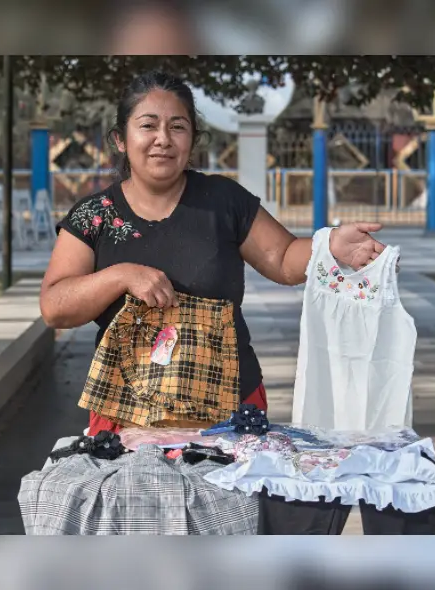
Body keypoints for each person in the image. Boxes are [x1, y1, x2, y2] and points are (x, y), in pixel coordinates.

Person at [40, 71, 388, 436]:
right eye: (148, 126)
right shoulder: (94, 216)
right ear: (120, 139)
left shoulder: (224, 200)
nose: (163, 139)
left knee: (232, 494)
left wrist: (329, 245)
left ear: (193, 140)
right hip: (126, 417)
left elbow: (284, 259)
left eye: (177, 127)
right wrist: (121, 275)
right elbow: (54, 307)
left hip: (230, 411)